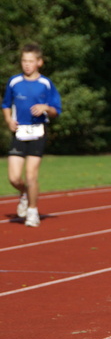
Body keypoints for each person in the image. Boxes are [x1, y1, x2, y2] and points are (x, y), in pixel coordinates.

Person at [2, 43, 62, 227]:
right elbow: (5, 104)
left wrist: (46, 108)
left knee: (31, 175)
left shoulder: (45, 84)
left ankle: (33, 211)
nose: (26, 64)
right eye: (24, 61)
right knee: (13, 178)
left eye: (30, 61)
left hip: (37, 132)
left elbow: (56, 110)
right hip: (20, 133)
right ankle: (24, 194)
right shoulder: (14, 82)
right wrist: (9, 120)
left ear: (39, 62)